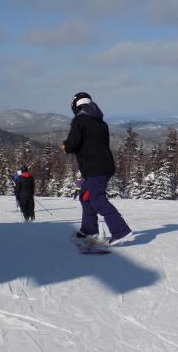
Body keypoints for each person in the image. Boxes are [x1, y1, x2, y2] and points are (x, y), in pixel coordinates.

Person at [63, 92, 132, 245]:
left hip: (95, 168)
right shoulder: (100, 122)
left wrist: (65, 146)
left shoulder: (80, 120)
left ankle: (120, 231)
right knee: (85, 195)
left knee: (97, 199)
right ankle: (89, 230)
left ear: (76, 106)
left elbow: (73, 143)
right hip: (103, 166)